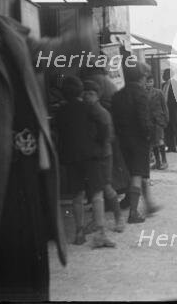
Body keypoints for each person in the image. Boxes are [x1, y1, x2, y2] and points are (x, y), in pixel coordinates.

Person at [0, 0, 95, 301]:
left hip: (28, 167)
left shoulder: (6, 30)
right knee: (3, 262)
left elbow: (50, 52)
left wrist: (78, 40)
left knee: (34, 256)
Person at [56, 76, 117, 248]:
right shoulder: (88, 107)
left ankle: (79, 232)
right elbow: (104, 127)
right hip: (91, 156)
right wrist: (99, 142)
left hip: (71, 158)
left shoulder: (60, 111)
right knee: (97, 194)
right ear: (80, 91)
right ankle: (101, 234)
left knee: (77, 195)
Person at [112, 63, 160, 223]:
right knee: (137, 175)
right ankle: (133, 212)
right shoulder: (141, 94)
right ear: (141, 77)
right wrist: (150, 137)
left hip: (123, 140)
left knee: (136, 173)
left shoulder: (117, 95)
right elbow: (144, 121)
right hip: (139, 141)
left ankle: (148, 204)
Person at [82, 80, 124, 234]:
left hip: (103, 155)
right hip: (93, 155)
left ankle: (119, 218)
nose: (87, 97)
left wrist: (96, 146)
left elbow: (108, 137)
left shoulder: (102, 113)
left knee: (106, 187)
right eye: (85, 93)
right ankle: (97, 220)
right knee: (94, 190)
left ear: (98, 96)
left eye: (91, 94)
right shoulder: (86, 111)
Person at [145, 74, 169, 170]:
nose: (149, 84)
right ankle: (157, 162)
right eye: (147, 82)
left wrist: (166, 119)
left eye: (150, 82)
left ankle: (164, 161)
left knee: (160, 140)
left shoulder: (159, 93)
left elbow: (164, 107)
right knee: (153, 142)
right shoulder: (142, 93)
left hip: (158, 120)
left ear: (153, 82)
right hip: (149, 121)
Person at [162, 67, 177, 153]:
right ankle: (171, 147)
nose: (163, 76)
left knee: (176, 129)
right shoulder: (163, 85)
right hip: (165, 111)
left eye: (165, 74)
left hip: (174, 110)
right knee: (168, 129)